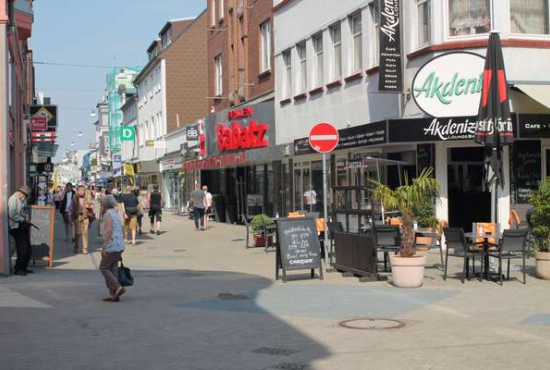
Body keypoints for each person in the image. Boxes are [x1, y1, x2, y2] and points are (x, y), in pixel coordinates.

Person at [99, 195, 126, 302]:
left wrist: (104, 246)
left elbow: (109, 230)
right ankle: (114, 294)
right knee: (113, 268)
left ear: (105, 205)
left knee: (104, 267)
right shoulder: (115, 213)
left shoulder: (107, 215)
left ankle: (118, 287)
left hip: (112, 245)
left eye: (101, 204)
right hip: (119, 245)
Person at [8, 185, 33, 276]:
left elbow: (21, 212)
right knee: (22, 248)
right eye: (25, 196)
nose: (25, 197)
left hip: (22, 225)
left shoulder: (20, 200)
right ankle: (18, 268)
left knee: (27, 248)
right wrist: (23, 219)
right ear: (21, 193)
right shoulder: (13, 199)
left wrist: (25, 219)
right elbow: (12, 214)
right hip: (16, 227)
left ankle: (23, 267)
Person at [71, 185, 94, 254]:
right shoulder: (74, 198)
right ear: (77, 191)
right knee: (77, 234)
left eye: (82, 190)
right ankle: (76, 247)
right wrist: (70, 216)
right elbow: (71, 208)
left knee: (85, 233)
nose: (81, 192)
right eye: (80, 190)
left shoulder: (87, 197)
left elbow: (92, 205)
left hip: (85, 217)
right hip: (77, 217)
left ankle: (85, 248)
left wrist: (89, 205)